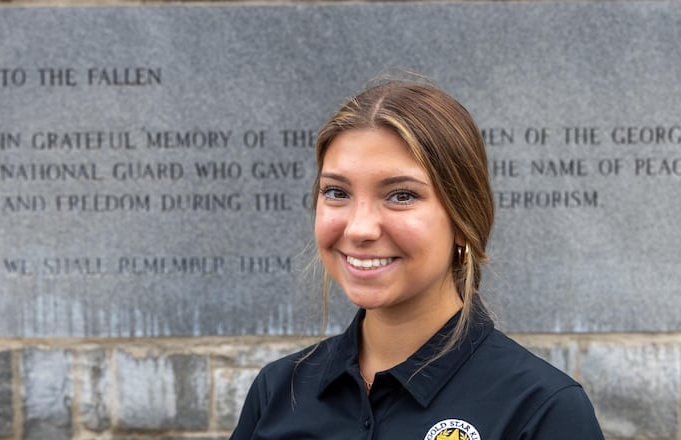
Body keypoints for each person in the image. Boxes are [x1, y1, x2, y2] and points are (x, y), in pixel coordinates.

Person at [230, 80, 604, 439]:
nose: (360, 228)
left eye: (402, 195)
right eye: (337, 192)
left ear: (463, 219)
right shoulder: (278, 392)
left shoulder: (540, 409)